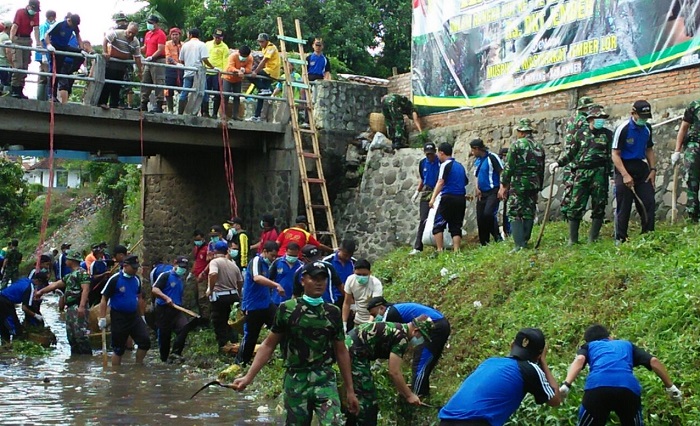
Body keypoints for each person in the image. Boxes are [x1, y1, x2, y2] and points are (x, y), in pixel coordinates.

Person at [231, 261, 359, 424]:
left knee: (333, 422)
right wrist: (248, 377)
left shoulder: (332, 312)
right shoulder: (287, 309)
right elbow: (269, 345)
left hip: (324, 379)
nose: (319, 282)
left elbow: (341, 351)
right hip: (296, 380)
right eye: (314, 278)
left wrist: (350, 390)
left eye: (323, 278)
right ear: (303, 280)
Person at [560, 324, 682, 425]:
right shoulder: (626, 345)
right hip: (628, 388)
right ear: (611, 337)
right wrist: (671, 387)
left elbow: (579, 360)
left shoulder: (589, 346)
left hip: (598, 387)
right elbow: (654, 361)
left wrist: (566, 384)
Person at [438, 328, 561, 425]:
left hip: (446, 419)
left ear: (512, 345)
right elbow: (555, 399)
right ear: (538, 355)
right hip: (475, 422)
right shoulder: (529, 369)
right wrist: (543, 362)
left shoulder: (490, 362)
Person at [345, 316, 432, 424]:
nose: (421, 341)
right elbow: (394, 371)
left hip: (354, 348)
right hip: (354, 351)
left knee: (360, 391)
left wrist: (403, 391)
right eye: (422, 336)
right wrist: (409, 395)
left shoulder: (399, 330)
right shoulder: (402, 337)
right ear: (416, 331)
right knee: (367, 397)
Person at [550, 106, 613, 244]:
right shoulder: (580, 134)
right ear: (590, 119)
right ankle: (573, 239)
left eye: (602, 118)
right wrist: (558, 163)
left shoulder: (608, 135)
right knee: (576, 204)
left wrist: (613, 174)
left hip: (600, 173)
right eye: (598, 118)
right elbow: (572, 153)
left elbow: (611, 156)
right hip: (582, 173)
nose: (600, 121)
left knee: (599, 205)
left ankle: (593, 238)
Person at [367, 297, 450, 397]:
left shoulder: (390, 314)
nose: (374, 318)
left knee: (420, 362)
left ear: (381, 308)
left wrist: (378, 362)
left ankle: (419, 396)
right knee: (424, 361)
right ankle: (422, 391)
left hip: (435, 326)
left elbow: (389, 342)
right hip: (439, 322)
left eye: (373, 314)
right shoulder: (394, 309)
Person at [612, 100, 657, 242]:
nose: (644, 119)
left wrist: (653, 169)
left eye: (646, 117)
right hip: (624, 166)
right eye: (641, 116)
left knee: (648, 201)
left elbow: (649, 150)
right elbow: (615, 154)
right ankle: (621, 237)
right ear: (633, 113)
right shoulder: (623, 129)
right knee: (624, 205)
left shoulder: (647, 128)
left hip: (641, 167)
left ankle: (648, 235)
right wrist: (625, 175)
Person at [498, 118, 545, 251]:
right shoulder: (539, 147)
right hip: (534, 184)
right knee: (529, 211)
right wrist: (539, 187)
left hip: (519, 184)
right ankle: (525, 239)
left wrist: (503, 185)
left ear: (521, 132)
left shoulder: (517, 145)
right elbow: (541, 169)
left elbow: (509, 168)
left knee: (515, 212)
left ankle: (519, 244)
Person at [36, 250, 92, 354]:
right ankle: (75, 361)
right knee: (71, 336)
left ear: (72, 260)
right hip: (70, 308)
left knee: (81, 336)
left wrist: (82, 306)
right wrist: (41, 292)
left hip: (78, 306)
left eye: (68, 259)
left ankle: (86, 360)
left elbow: (86, 289)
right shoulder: (70, 275)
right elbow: (56, 284)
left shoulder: (82, 273)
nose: (66, 260)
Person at [98, 255, 150, 365]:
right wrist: (102, 318)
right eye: (134, 267)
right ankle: (116, 374)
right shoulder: (115, 279)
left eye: (137, 268)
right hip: (118, 317)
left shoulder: (137, 279)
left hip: (134, 316)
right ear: (125, 266)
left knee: (145, 341)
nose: (136, 270)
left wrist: (142, 316)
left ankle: (138, 365)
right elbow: (104, 298)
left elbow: (140, 297)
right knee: (118, 349)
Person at [236, 241, 282, 364]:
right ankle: (241, 362)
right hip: (253, 305)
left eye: (275, 256)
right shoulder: (256, 261)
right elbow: (257, 278)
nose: (273, 259)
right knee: (251, 335)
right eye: (272, 255)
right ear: (265, 252)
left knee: (281, 327)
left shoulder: (268, 266)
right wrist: (276, 285)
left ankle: (283, 357)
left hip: (266, 303)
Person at [151, 256, 196, 363]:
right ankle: (164, 360)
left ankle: (176, 353)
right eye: (180, 266)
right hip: (163, 309)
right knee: (164, 335)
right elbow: (155, 289)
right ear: (174, 264)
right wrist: (166, 298)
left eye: (184, 267)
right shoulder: (165, 275)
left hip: (176, 310)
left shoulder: (180, 279)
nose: (182, 269)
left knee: (184, 327)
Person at [560, 96, 597, 221]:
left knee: (569, 188)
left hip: (569, 157)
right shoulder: (584, 121)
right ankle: (571, 217)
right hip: (579, 158)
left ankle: (566, 214)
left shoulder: (570, 120)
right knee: (576, 191)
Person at [429, 142, 469, 252]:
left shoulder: (445, 165)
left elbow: (440, 182)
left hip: (448, 197)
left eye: (438, 153)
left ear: (442, 153)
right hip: (461, 198)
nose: (437, 155)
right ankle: (457, 250)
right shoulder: (460, 166)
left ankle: (439, 249)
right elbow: (465, 181)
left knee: (438, 223)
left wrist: (432, 198)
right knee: (456, 225)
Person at [207, 241, 243, 350]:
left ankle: (223, 346)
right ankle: (234, 345)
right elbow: (240, 281)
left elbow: (213, 274)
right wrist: (238, 292)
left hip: (220, 296)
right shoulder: (232, 264)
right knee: (231, 322)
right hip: (233, 295)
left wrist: (211, 289)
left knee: (219, 322)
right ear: (227, 250)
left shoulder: (215, 262)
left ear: (215, 251)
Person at [99, 22, 142, 109]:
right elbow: (106, 39)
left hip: (122, 65)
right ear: (127, 29)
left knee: (117, 85)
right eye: (129, 32)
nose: (130, 34)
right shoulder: (117, 33)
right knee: (108, 82)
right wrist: (105, 51)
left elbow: (137, 57)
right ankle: (102, 102)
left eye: (133, 33)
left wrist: (140, 70)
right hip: (112, 62)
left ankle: (114, 104)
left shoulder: (135, 42)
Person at [471, 138, 504, 246]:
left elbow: (501, 171)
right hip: (482, 193)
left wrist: (502, 188)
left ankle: (497, 236)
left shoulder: (492, 157)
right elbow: (476, 175)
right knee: (480, 217)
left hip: (493, 191)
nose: (472, 153)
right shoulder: (478, 161)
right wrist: (477, 187)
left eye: (472, 150)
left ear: (477, 149)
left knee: (488, 213)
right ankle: (484, 242)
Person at [45, 13, 84, 104]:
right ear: (69, 20)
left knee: (80, 55)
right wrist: (48, 45)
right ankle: (52, 95)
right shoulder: (59, 24)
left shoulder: (74, 26)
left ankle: (71, 70)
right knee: (55, 71)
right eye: (73, 24)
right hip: (55, 47)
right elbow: (47, 34)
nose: (73, 27)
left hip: (64, 46)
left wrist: (81, 48)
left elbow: (78, 36)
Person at [409, 142, 441, 255]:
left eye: (431, 154)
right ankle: (418, 247)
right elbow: (423, 178)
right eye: (428, 154)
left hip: (438, 190)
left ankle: (440, 245)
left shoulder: (440, 163)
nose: (430, 156)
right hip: (427, 190)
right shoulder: (423, 163)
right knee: (423, 219)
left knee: (439, 218)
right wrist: (417, 192)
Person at [672, 98, 700, 222]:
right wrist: (677, 151)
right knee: (691, 181)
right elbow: (684, 128)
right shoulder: (695, 105)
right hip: (694, 146)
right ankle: (693, 216)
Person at [0, 272, 47, 343]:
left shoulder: (25, 280)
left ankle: (5, 348)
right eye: (41, 284)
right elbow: (24, 308)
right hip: (4, 303)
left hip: (3, 298)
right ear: (38, 281)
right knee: (15, 329)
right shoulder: (30, 288)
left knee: (4, 326)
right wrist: (36, 315)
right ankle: (14, 346)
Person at [8, 0, 41, 99]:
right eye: (33, 9)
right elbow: (14, 26)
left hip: (27, 40)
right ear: (29, 7)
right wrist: (11, 40)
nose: (34, 12)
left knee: (25, 67)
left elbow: (36, 29)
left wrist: (38, 43)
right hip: (18, 39)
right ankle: (14, 88)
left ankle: (20, 89)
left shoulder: (36, 14)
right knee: (18, 65)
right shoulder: (20, 12)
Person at [178, 28, 214, 115]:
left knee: (184, 92)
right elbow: (204, 59)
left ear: (190, 35)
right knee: (203, 92)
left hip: (188, 71)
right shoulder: (202, 45)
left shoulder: (185, 45)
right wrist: (212, 67)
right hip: (198, 73)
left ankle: (180, 112)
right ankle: (205, 112)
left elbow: (181, 60)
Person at [341, 258, 383, 333]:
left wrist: (369, 324)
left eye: (364, 275)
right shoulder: (350, 280)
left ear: (370, 273)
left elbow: (376, 307)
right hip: (358, 320)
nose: (361, 277)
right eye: (358, 274)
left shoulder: (375, 284)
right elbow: (347, 303)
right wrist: (344, 323)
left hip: (373, 321)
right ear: (354, 272)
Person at [247, 33, 280, 122]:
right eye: (259, 42)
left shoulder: (271, 47)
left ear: (266, 41)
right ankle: (257, 116)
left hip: (271, 71)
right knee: (261, 95)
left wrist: (255, 71)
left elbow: (264, 60)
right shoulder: (264, 48)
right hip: (267, 70)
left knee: (250, 75)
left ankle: (266, 89)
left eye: (262, 41)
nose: (260, 43)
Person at [140, 14, 166, 113]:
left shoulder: (161, 34)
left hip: (157, 60)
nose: (149, 24)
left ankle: (159, 104)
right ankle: (143, 103)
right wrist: (137, 50)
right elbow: (145, 47)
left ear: (156, 24)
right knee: (145, 81)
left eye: (151, 23)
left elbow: (160, 49)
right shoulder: (148, 34)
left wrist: (152, 57)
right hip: (148, 61)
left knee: (158, 82)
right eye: (149, 22)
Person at [321, 239, 356, 308]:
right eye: (345, 255)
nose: (347, 258)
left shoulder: (354, 263)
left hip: (348, 298)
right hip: (331, 298)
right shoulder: (327, 261)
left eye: (350, 256)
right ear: (339, 249)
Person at [222, 45, 253, 120]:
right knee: (225, 96)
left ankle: (235, 115)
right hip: (228, 78)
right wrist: (237, 70)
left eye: (245, 56)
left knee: (237, 96)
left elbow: (249, 69)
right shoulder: (233, 56)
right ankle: (223, 114)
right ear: (239, 53)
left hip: (238, 80)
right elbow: (230, 67)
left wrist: (244, 70)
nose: (243, 58)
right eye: (242, 56)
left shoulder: (250, 58)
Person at [203, 29, 228, 118]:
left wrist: (223, 73)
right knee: (205, 92)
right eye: (216, 37)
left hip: (218, 73)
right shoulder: (207, 44)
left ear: (222, 38)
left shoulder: (224, 47)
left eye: (219, 37)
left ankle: (214, 113)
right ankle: (204, 112)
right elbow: (204, 57)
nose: (217, 39)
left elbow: (225, 61)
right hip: (207, 72)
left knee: (217, 94)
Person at [35, 9, 56, 101]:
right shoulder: (45, 26)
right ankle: (45, 97)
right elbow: (42, 40)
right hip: (43, 53)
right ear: (51, 17)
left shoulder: (49, 26)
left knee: (43, 75)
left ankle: (42, 98)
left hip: (45, 53)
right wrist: (43, 54)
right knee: (47, 74)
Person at [191, 229, 210, 322]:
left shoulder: (207, 249)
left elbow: (210, 263)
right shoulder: (196, 249)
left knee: (203, 298)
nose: (197, 241)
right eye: (195, 239)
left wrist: (203, 274)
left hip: (204, 277)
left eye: (198, 239)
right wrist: (191, 272)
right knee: (197, 297)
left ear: (202, 238)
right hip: (196, 275)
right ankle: (201, 316)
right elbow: (196, 261)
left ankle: (205, 319)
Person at [164, 27, 183, 114]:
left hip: (182, 69)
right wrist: (176, 64)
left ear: (180, 35)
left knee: (182, 89)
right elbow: (168, 57)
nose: (175, 36)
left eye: (176, 35)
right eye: (173, 35)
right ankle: (170, 110)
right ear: (170, 36)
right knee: (168, 89)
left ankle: (180, 111)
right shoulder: (167, 44)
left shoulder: (183, 45)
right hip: (170, 68)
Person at [0, 21, 12, 96]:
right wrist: (11, 63)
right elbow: (8, 51)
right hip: (4, 62)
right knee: (6, 82)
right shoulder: (6, 37)